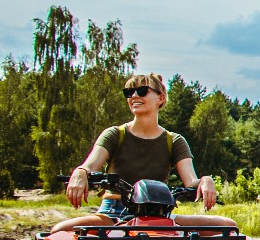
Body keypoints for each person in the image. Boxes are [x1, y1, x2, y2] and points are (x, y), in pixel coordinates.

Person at [55, 73, 227, 231]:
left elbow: (191, 181)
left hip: (159, 215)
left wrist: (206, 181)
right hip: (113, 213)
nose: (135, 96)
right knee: (59, 232)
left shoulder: (174, 141)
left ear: (160, 98)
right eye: (129, 92)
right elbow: (90, 164)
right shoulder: (115, 134)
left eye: (142, 91)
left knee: (227, 226)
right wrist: (80, 172)